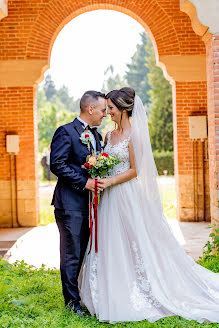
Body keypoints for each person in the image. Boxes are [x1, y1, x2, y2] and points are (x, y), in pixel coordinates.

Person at [80, 87, 219, 323]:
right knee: (111, 241)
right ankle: (110, 287)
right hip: (108, 199)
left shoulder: (134, 135)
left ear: (124, 109)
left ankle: (143, 286)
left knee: (136, 240)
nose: (109, 113)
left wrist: (110, 180)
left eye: (111, 109)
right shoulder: (108, 135)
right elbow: (104, 160)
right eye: (107, 109)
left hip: (125, 194)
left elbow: (135, 171)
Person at [50, 90, 106, 315]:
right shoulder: (66, 132)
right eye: (102, 110)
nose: (105, 115)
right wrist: (85, 183)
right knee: (72, 254)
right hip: (70, 203)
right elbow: (58, 164)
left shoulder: (97, 136)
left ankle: (82, 295)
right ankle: (72, 304)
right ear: (90, 109)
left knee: (84, 251)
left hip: (91, 205)